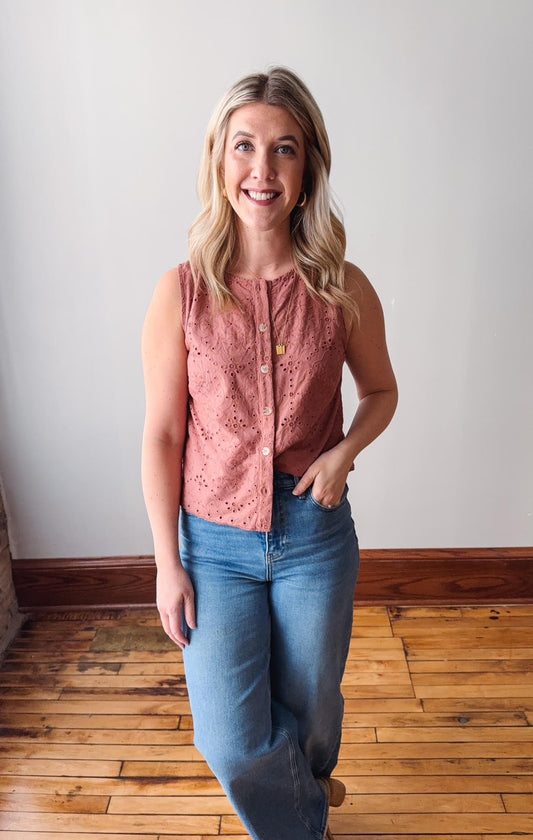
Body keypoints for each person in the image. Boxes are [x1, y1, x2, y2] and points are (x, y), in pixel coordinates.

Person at [142, 66, 397, 840]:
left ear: (308, 166)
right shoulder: (180, 293)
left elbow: (381, 393)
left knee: (313, 710)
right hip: (212, 544)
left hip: (314, 537)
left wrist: (343, 452)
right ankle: (305, 816)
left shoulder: (342, 287)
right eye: (244, 145)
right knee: (225, 733)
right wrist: (166, 561)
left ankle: (301, 785)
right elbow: (161, 434)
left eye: (284, 149)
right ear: (219, 160)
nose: (262, 169)